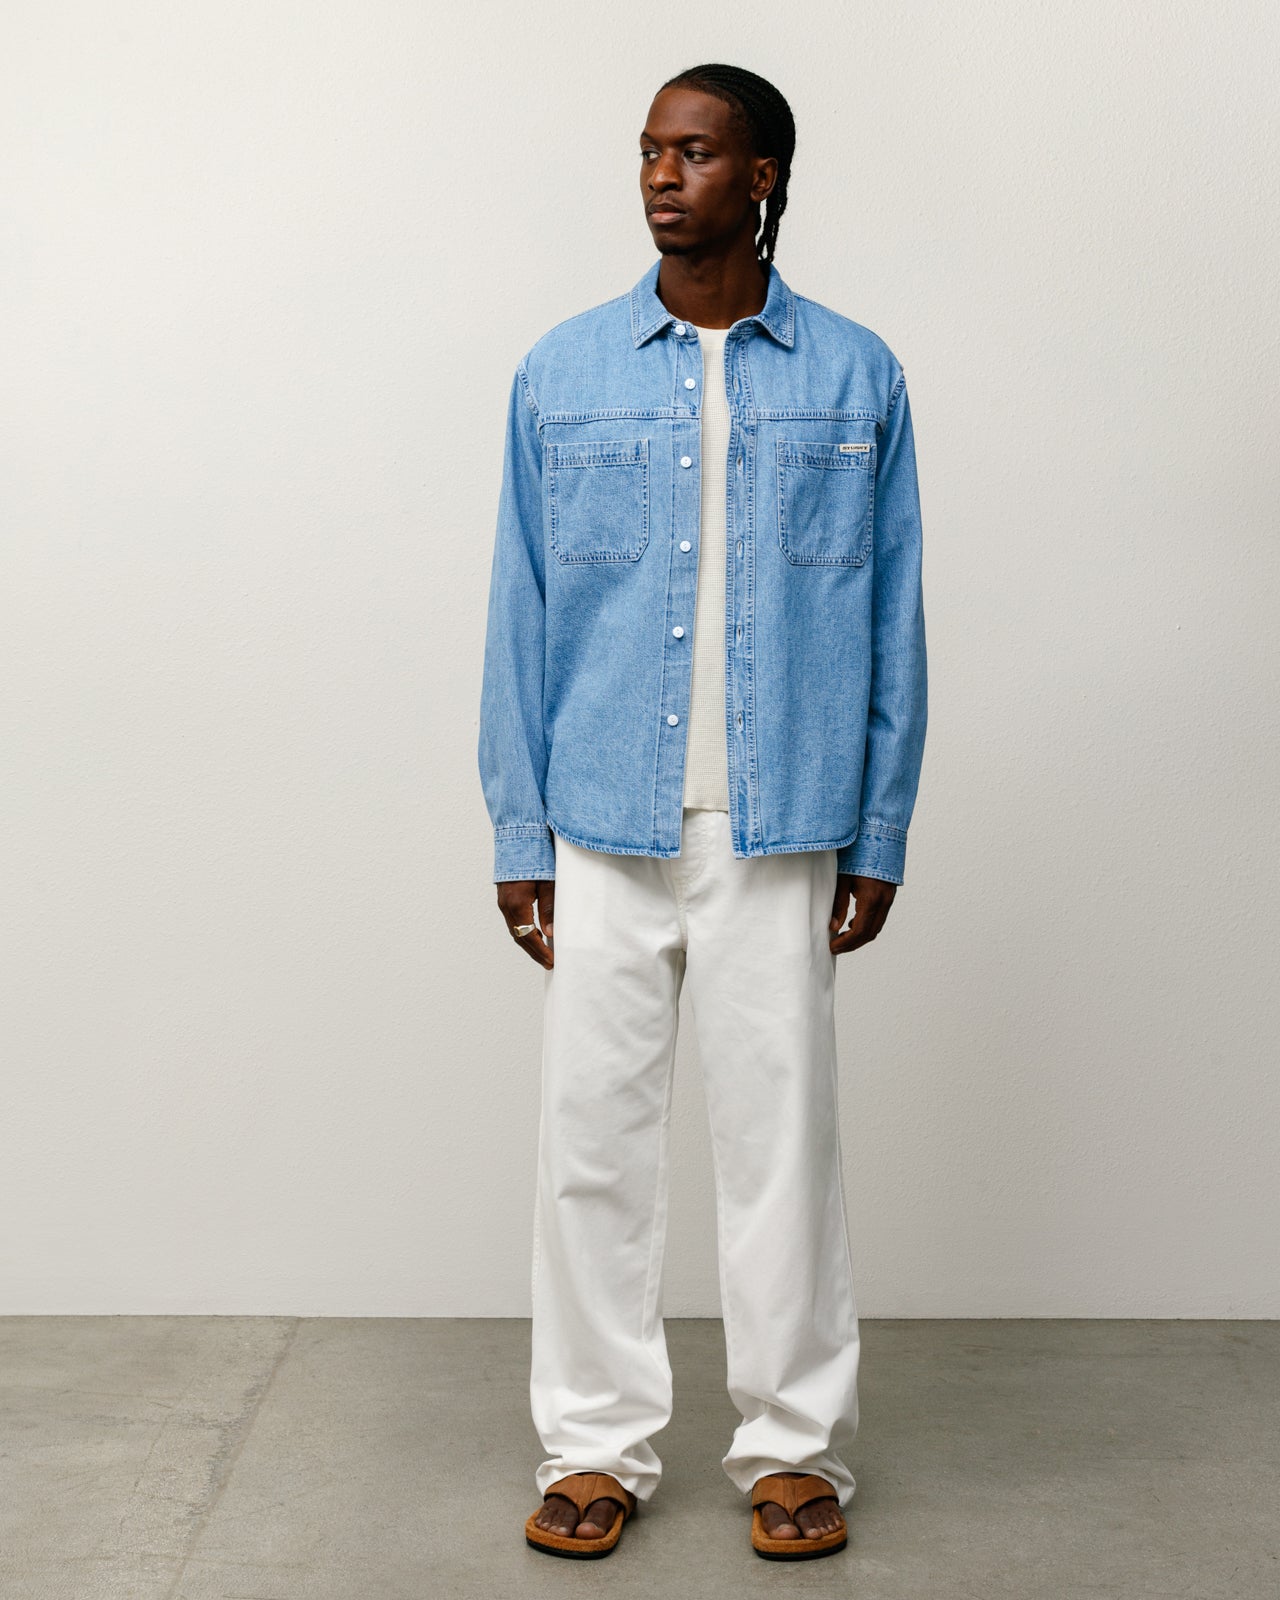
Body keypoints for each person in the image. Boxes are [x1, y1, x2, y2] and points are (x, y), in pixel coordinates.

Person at [477, 61, 928, 1561]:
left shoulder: (855, 376)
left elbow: (896, 618)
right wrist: (518, 831)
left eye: (696, 153)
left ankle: (795, 1451)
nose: (663, 177)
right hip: (603, 820)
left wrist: (879, 828)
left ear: (764, 175)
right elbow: (522, 612)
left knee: (783, 1153)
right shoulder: (564, 370)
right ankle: (592, 1449)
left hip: (781, 823)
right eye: (651, 153)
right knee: (589, 1152)